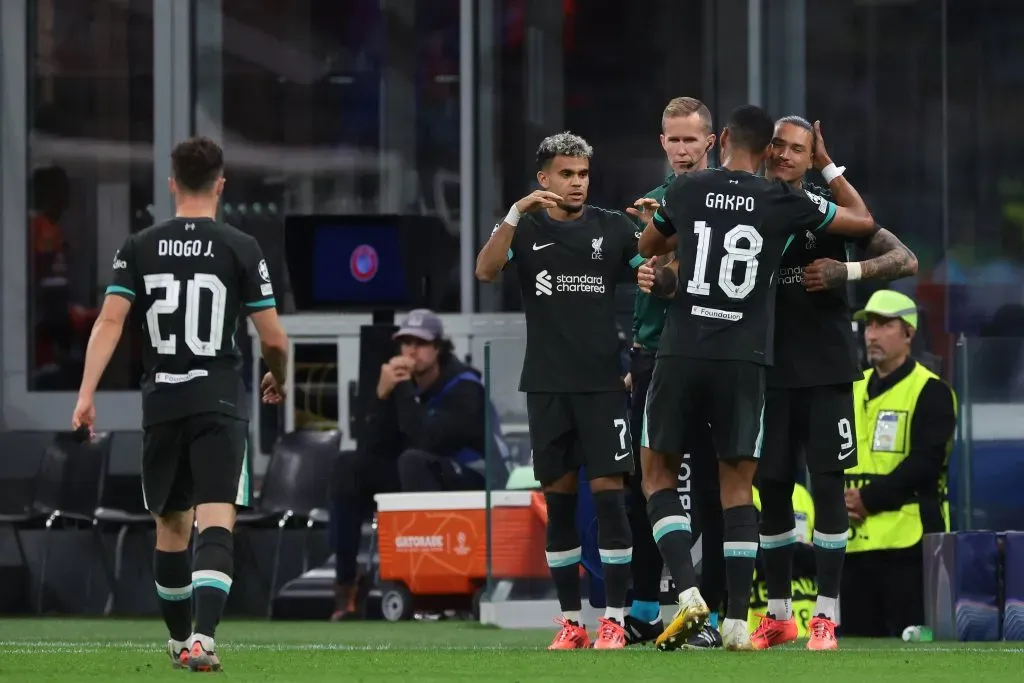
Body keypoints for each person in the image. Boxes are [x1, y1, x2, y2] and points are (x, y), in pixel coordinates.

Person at [635, 104, 877, 651]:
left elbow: (649, 247)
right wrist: (828, 166)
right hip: (746, 360)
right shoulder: (783, 200)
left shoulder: (687, 187)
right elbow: (863, 223)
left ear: (720, 139)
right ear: (768, 149)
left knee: (656, 476)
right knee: (738, 487)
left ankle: (692, 595)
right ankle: (741, 623)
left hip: (683, 350)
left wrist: (667, 245)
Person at [70, 136, 290, 672]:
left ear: (172, 183)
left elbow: (110, 322)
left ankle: (176, 642)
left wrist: (85, 394)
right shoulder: (241, 246)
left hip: (162, 400)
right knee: (217, 519)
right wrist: (278, 377)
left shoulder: (138, 245)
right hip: (218, 398)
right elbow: (275, 339)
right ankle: (204, 639)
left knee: (170, 527)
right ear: (221, 183)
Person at [750, 116, 920, 650]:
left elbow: (903, 257)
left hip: (825, 373)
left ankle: (824, 617)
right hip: (765, 371)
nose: (783, 155)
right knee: (771, 488)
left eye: (797, 149)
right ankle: (777, 614)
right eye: (778, 144)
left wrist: (845, 273)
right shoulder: (747, 205)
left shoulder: (829, 212)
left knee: (826, 487)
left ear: (810, 157)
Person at [476, 132, 645, 650]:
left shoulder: (612, 228)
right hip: (547, 387)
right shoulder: (524, 230)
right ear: (543, 179)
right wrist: (511, 214)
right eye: (566, 174)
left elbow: (658, 279)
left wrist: (660, 233)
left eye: (583, 174)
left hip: (602, 388)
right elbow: (485, 271)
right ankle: (571, 623)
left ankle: (613, 620)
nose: (577, 183)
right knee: (560, 506)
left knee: (612, 503)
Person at [623, 97, 724, 649]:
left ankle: (704, 611)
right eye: (673, 139)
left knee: (709, 488)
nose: (682, 149)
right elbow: (637, 270)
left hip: (705, 358)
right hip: (650, 357)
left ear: (710, 141)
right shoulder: (650, 204)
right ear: (661, 141)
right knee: (645, 485)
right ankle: (643, 607)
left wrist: (667, 268)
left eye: (691, 139)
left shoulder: (723, 200)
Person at [328, 309, 492, 620]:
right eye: (405, 343)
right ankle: (346, 582)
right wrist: (380, 396)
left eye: (420, 342)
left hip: (470, 481)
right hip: (416, 473)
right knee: (348, 466)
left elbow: (428, 440)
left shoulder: (465, 386)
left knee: (413, 461)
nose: (411, 351)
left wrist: (401, 390)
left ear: (439, 348)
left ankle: (430, 581)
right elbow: (370, 447)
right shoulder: (400, 386)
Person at [842, 290, 956, 636]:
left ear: (908, 333)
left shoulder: (930, 390)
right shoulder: (852, 388)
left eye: (883, 325)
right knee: (857, 650)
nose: (871, 334)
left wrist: (867, 499)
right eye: (868, 325)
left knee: (913, 644)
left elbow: (925, 463)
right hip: (854, 542)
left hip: (909, 544)